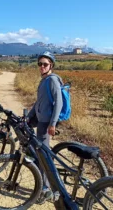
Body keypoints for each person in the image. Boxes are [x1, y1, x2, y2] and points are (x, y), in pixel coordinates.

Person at [27, 51, 63, 203]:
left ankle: (46, 189)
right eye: (40, 64)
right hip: (41, 121)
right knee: (39, 152)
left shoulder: (52, 80)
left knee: (44, 156)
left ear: (51, 66)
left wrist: (53, 124)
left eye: (45, 64)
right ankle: (43, 184)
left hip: (47, 123)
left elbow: (58, 103)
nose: (42, 66)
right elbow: (38, 102)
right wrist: (28, 117)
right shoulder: (44, 80)